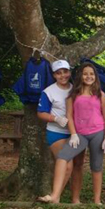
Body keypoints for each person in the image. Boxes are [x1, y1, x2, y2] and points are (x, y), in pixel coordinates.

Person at [37, 62, 105, 205]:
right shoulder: (72, 95)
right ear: (80, 76)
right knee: (63, 157)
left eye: (91, 74)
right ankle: (55, 196)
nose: (88, 77)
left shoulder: (101, 95)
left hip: (98, 132)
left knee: (96, 166)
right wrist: (74, 134)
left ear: (95, 76)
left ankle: (97, 201)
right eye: (85, 74)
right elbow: (69, 116)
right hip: (79, 134)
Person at [36, 59, 75, 195]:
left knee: (71, 167)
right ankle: (55, 196)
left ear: (69, 72)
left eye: (65, 72)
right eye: (58, 73)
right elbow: (41, 113)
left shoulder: (75, 88)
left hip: (74, 133)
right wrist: (56, 119)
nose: (62, 75)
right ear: (54, 75)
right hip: (56, 132)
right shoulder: (49, 92)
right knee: (67, 166)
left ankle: (56, 196)